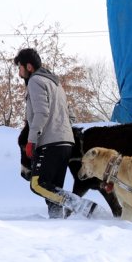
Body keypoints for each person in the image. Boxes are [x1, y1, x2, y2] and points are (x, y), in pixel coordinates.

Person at [15, 48, 78, 219]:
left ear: (29, 66)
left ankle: (77, 204)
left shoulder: (35, 81)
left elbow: (41, 112)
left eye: (19, 68)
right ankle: (56, 221)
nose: (19, 73)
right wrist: (61, 132)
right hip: (65, 143)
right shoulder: (56, 83)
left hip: (50, 143)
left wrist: (31, 140)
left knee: (38, 184)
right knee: (52, 190)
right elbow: (70, 115)